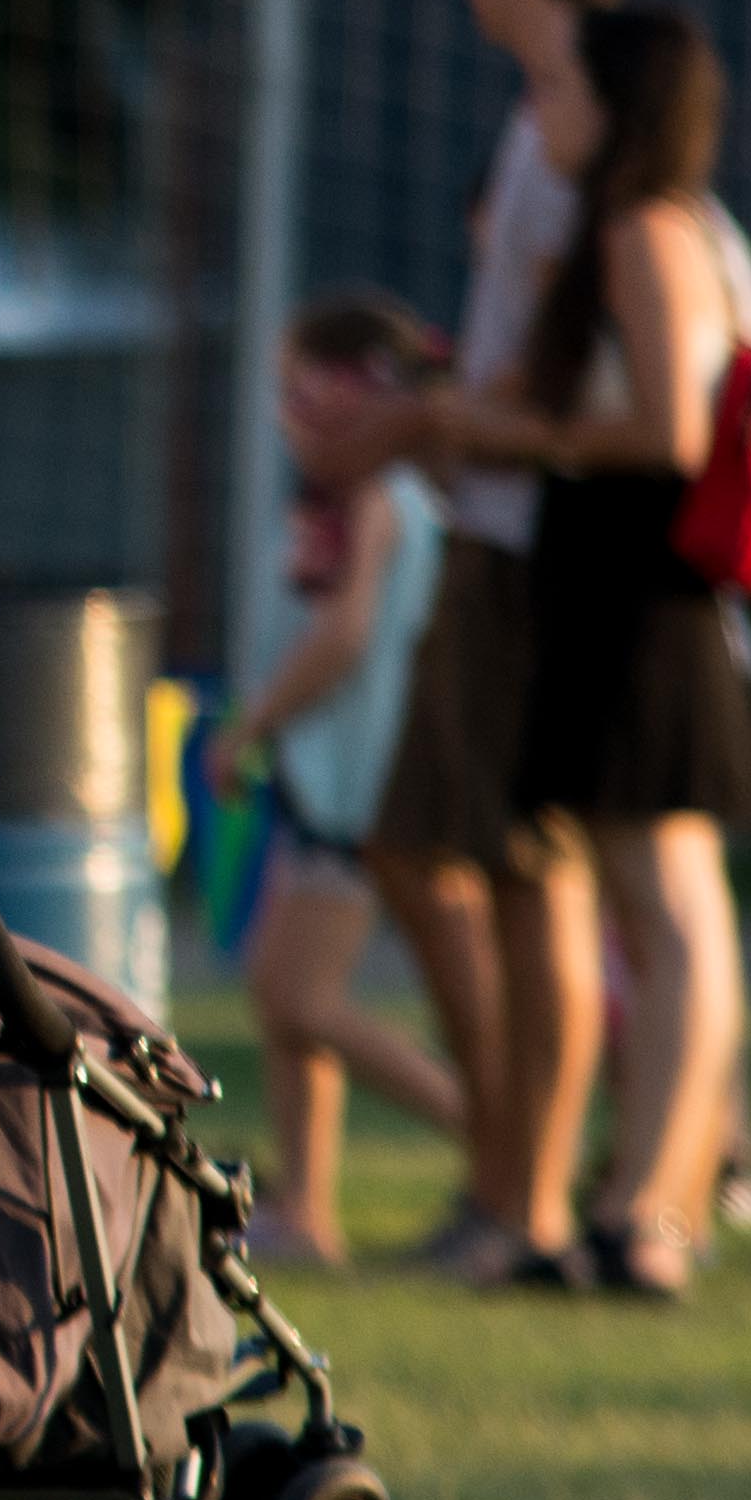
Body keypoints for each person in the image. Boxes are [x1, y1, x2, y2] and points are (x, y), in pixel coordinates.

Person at [304, 0, 634, 1286]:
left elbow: (584, 389)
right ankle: (506, 1183)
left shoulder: (588, 123)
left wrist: (426, 426)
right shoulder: (545, 115)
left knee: (527, 875)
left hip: (542, 550)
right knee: (445, 853)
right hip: (494, 539)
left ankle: (534, 1201)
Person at [424, 3, 751, 1300]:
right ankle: (643, 1205)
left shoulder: (642, 229)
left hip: (644, 596)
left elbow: (672, 433)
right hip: (619, 590)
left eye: (564, 92)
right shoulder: (622, 232)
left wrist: (530, 440)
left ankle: (650, 1211)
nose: (540, 113)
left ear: (622, 109)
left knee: (668, 907)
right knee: (658, 907)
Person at [219, 292, 479, 1267]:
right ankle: (307, 1208)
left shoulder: (381, 500)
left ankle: (497, 1134)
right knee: (284, 992)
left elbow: (346, 636)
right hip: (320, 775)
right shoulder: (347, 503)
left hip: (353, 785)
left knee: (295, 995)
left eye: (300, 393)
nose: (287, 416)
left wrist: (252, 723)